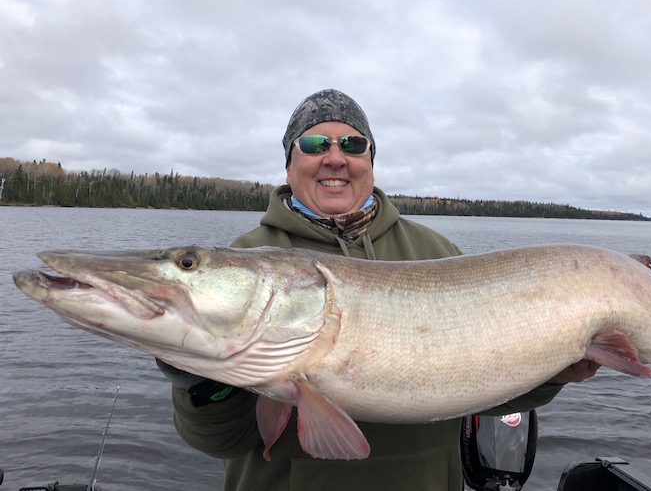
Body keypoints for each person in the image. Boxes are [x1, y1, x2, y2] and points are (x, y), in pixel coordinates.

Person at [160, 89, 600, 491]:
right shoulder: (247, 259)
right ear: (289, 165)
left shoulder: (436, 251)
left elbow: (488, 385)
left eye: (353, 145)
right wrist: (201, 381)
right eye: (315, 144)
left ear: (370, 160)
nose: (336, 158)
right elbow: (221, 441)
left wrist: (555, 372)